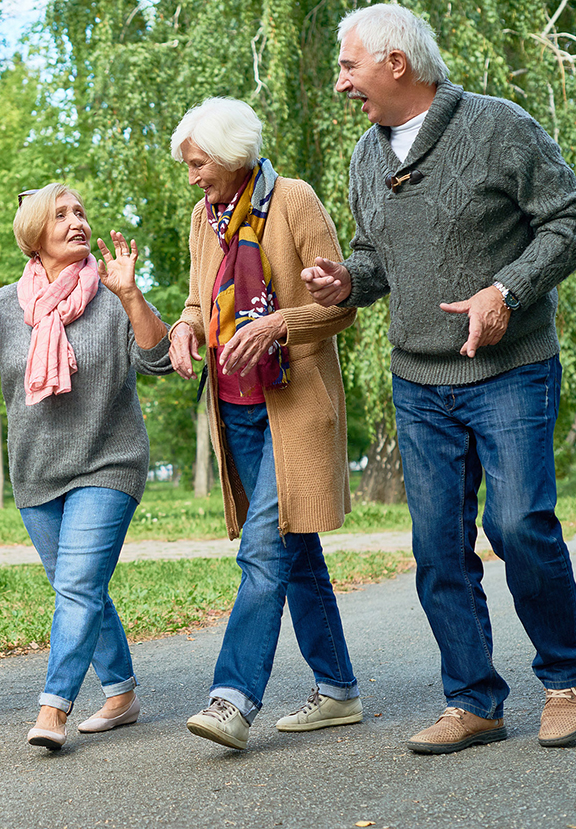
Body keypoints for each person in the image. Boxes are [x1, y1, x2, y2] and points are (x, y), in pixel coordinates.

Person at [303, 4, 576, 754]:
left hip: (510, 368)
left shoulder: (499, 126)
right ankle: (473, 699)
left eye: (349, 66)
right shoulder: (367, 157)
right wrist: (347, 281)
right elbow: (378, 261)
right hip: (420, 379)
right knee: (438, 547)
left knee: (519, 524)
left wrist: (508, 291)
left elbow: (572, 218)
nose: (341, 84)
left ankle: (566, 675)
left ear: (396, 65)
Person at [0, 183, 171, 751]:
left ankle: (54, 707)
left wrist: (133, 296)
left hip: (108, 462)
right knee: (82, 589)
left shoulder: (113, 291)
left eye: (82, 212)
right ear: (34, 235)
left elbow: (159, 359)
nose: (77, 222)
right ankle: (121, 694)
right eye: (62, 215)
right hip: (37, 472)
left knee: (76, 586)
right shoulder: (2, 307)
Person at [168, 98, 361, 750]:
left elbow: (342, 305)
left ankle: (232, 698)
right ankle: (338, 690)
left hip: (294, 408)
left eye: (198, 163)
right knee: (295, 551)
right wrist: (187, 327)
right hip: (238, 411)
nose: (192, 176)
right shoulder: (204, 218)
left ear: (230, 154)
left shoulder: (295, 201)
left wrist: (281, 321)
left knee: (262, 552)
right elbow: (200, 299)